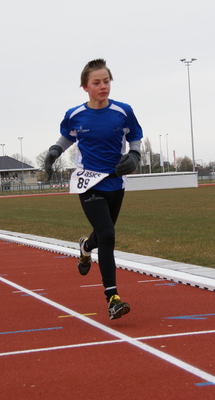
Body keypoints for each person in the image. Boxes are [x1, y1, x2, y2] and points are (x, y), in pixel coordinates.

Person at [44, 59, 143, 320]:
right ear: (85, 87)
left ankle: (86, 247)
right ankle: (113, 298)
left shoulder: (123, 111)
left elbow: (135, 136)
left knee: (101, 235)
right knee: (108, 234)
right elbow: (67, 136)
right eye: (96, 82)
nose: (103, 86)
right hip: (88, 181)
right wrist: (53, 153)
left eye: (106, 81)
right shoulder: (75, 115)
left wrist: (134, 155)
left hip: (115, 181)